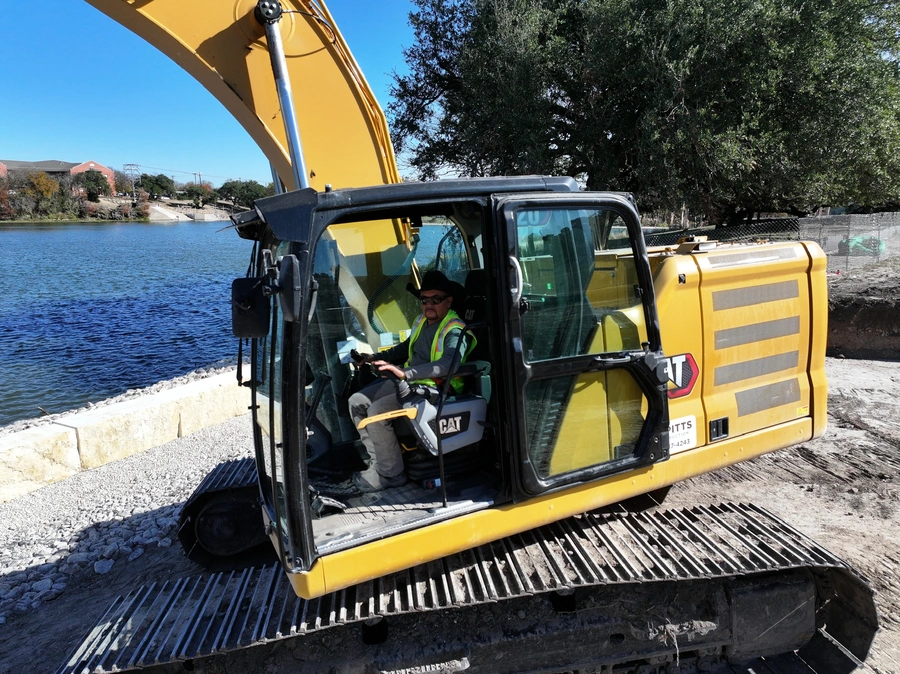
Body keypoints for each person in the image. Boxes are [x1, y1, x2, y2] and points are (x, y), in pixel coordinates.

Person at [349, 270, 470, 492]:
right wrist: (375, 358)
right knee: (357, 401)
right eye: (424, 300)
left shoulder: (455, 329)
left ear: (449, 301)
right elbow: (406, 348)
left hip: (436, 387)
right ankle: (380, 464)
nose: (428, 305)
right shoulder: (422, 320)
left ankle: (391, 476)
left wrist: (405, 374)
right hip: (410, 381)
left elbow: (448, 365)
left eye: (436, 299)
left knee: (376, 412)